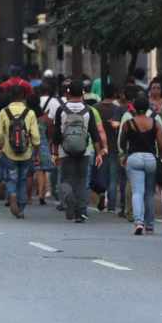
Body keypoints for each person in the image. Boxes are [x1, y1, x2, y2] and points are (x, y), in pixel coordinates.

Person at [54, 82, 108, 223]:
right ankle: (81, 212)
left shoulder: (61, 110)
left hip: (65, 151)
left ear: (68, 93)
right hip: (84, 150)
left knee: (66, 179)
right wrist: (99, 153)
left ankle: (69, 198)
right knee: (82, 181)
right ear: (82, 94)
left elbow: (56, 134)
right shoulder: (88, 110)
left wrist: (54, 153)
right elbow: (94, 133)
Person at [0, 86, 41, 218]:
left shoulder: (4, 112)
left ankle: (12, 196)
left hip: (9, 153)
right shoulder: (30, 113)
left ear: (10, 97)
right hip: (26, 154)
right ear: (24, 97)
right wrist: (36, 152)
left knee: (11, 178)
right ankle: (21, 207)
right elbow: (36, 137)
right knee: (23, 179)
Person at [122, 95, 162, 234]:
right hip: (150, 159)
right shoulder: (155, 123)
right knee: (149, 194)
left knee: (137, 192)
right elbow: (161, 144)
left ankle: (138, 222)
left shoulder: (128, 123)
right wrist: (161, 158)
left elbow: (122, 143)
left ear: (134, 108)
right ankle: (150, 225)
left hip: (134, 158)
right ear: (148, 108)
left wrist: (125, 154)